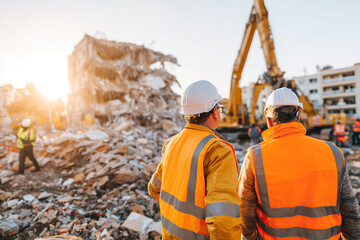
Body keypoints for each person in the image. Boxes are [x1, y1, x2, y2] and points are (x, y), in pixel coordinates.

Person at [238, 87, 360, 240]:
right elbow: (350, 210)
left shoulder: (255, 157)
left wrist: (249, 237)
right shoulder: (333, 152)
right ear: (299, 116)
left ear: (268, 120)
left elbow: (244, 211)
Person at [148, 80, 242, 239]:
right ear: (215, 112)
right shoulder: (217, 150)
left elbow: (154, 188)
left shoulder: (171, 144)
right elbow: (223, 219)